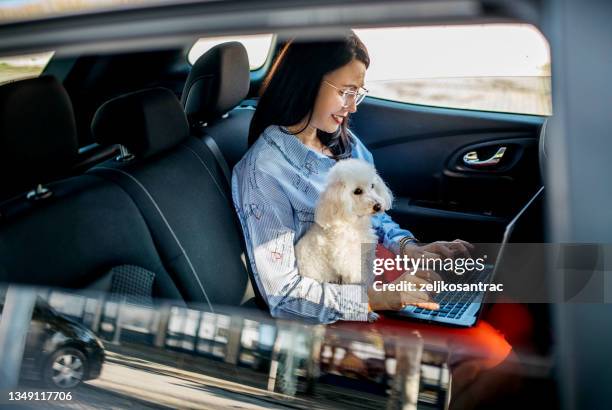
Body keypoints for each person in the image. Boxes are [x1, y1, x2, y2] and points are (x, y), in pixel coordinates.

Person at [231, 31, 473, 324]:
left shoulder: (345, 144)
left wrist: (409, 248)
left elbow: (373, 213)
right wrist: (381, 297)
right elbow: (284, 296)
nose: (354, 106)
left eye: (357, 92)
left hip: (375, 279)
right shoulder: (264, 173)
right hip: (333, 322)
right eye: (346, 91)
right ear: (308, 83)